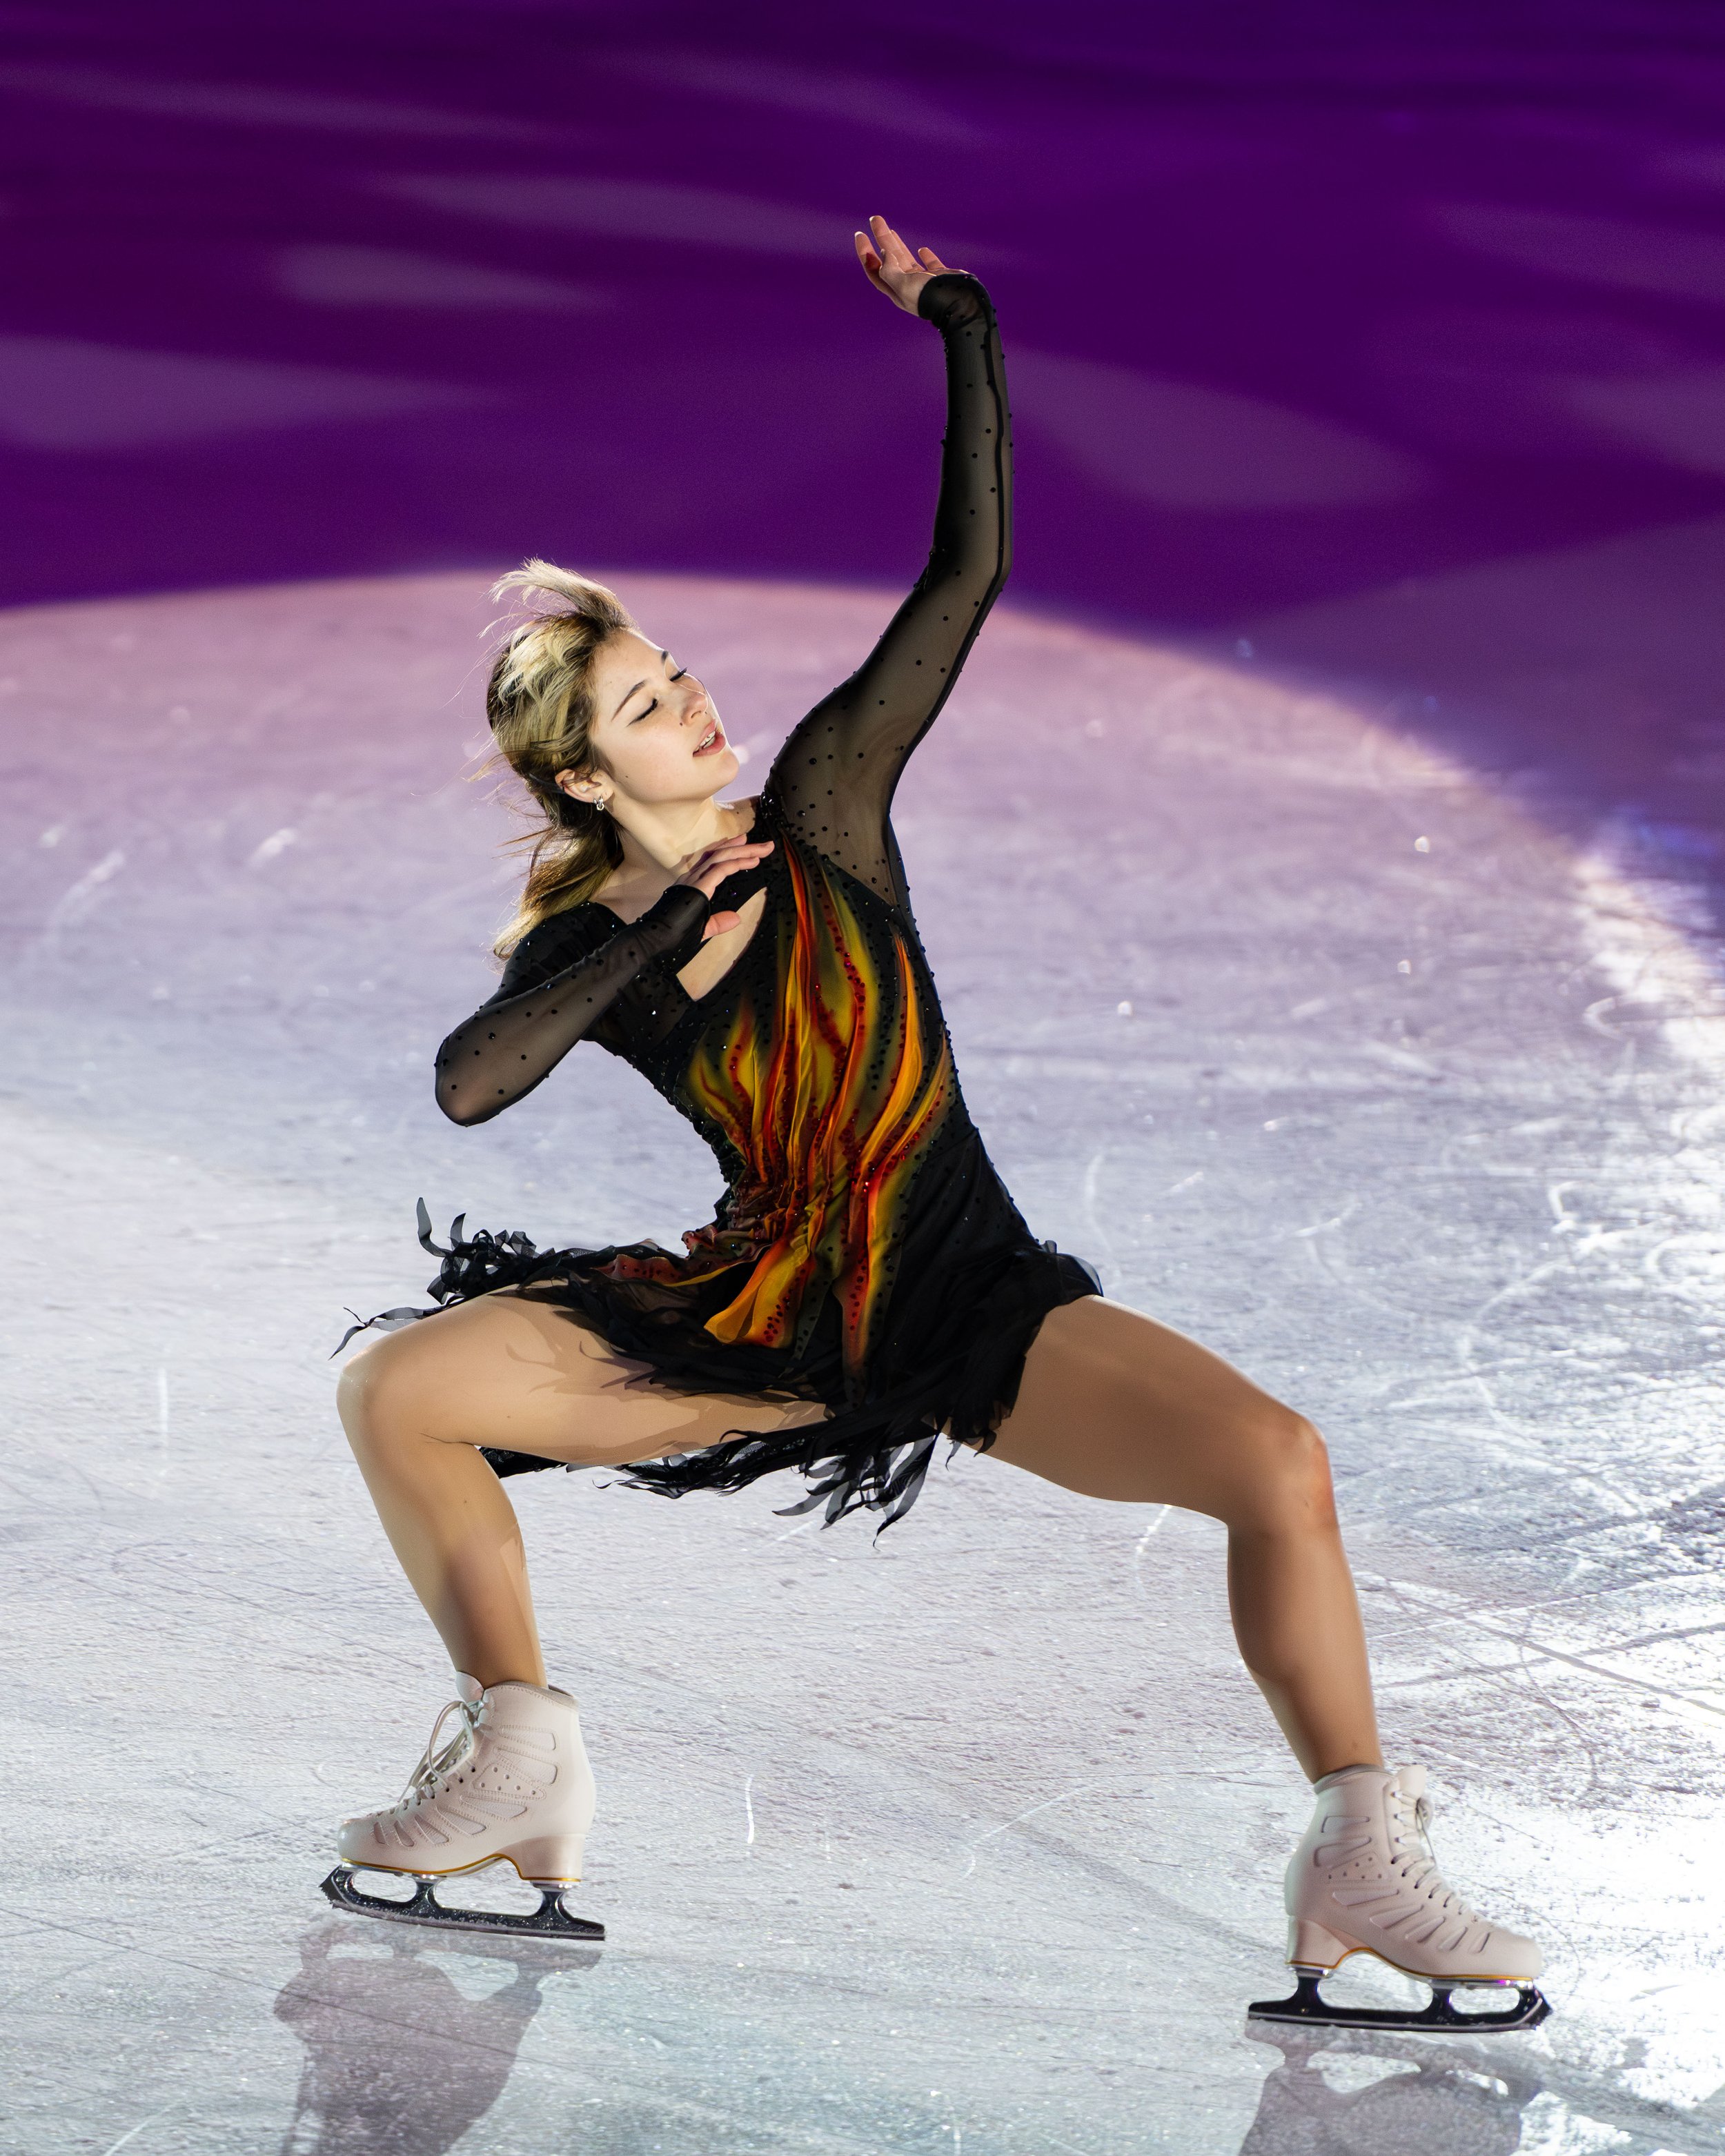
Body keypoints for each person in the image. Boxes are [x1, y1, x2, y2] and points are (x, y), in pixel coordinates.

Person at [330, 217, 1546, 2026]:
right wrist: (658, 929)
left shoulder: (823, 808)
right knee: (401, 1391)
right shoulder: (597, 942)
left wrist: (962, 328)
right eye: (649, 709)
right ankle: (523, 1761)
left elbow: (961, 579)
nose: (698, 708)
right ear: (588, 774)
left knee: (1275, 1464)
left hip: (964, 1294)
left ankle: (1357, 1854)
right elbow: (470, 1081)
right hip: (770, 1315)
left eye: (679, 677)